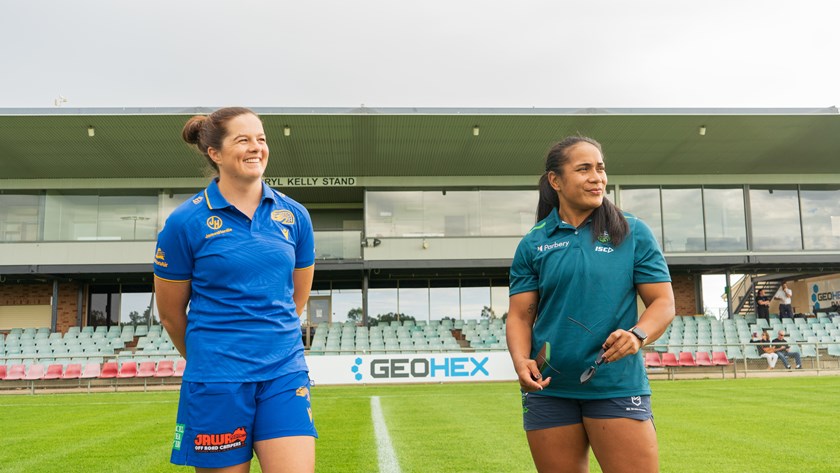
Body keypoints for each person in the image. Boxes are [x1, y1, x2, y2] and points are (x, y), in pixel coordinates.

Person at [154, 107, 317, 473]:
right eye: (243, 140)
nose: (256, 147)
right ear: (215, 153)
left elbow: (297, 299)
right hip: (217, 379)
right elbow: (170, 315)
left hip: (283, 372)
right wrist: (210, 358)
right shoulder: (185, 222)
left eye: (261, 139)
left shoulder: (295, 216)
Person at [507, 136, 675, 473]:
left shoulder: (632, 231)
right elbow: (520, 315)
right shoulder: (534, 242)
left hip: (615, 385)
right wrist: (520, 360)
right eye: (583, 169)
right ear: (555, 180)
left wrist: (638, 335)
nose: (597, 177)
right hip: (549, 390)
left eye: (600, 168)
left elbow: (663, 302)